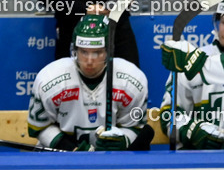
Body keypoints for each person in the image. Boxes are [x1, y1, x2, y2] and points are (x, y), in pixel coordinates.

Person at [28, 14, 149, 151]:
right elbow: (38, 127)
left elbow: (136, 127)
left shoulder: (131, 80)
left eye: (97, 52)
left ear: (108, 51)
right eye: (84, 52)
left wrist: (124, 140)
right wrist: (67, 147)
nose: (90, 61)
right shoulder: (50, 79)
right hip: (60, 158)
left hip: (110, 162)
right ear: (75, 50)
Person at [33, 0, 141, 67]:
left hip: (117, 24)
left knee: (130, 79)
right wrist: (84, 9)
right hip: (73, 28)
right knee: (72, 85)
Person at [157, 6, 224, 150]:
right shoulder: (192, 60)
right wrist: (191, 130)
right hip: (199, 160)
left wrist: (201, 65)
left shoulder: (193, 61)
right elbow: (169, 112)